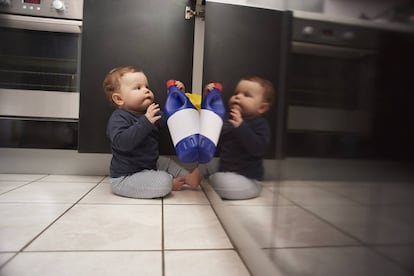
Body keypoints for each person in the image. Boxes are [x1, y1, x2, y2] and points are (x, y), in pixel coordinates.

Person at [104, 66, 201, 199]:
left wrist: (178, 97)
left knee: (165, 162)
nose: (146, 91)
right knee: (164, 181)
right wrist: (146, 121)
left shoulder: (150, 113)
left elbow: (171, 120)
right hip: (126, 178)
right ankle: (169, 184)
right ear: (119, 99)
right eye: (138, 88)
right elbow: (122, 143)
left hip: (149, 164)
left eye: (147, 87)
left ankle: (189, 178)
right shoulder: (119, 117)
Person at [203, 76, 274, 200]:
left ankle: (210, 180)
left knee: (222, 181)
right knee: (203, 163)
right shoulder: (230, 119)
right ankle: (208, 177)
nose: (238, 97)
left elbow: (258, 148)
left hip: (247, 180)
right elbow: (212, 124)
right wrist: (208, 98)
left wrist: (241, 127)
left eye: (246, 95)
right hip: (224, 167)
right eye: (236, 93)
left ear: (262, 107)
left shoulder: (260, 124)